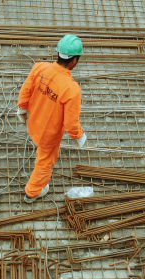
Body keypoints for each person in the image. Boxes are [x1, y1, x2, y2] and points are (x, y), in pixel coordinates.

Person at [17, 34, 87, 203]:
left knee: (41, 152)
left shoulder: (39, 68)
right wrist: (79, 135)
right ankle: (32, 193)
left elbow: (25, 91)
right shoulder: (72, 89)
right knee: (45, 163)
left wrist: (21, 109)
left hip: (33, 122)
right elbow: (71, 123)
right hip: (48, 135)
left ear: (58, 53)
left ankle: (35, 187)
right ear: (74, 61)